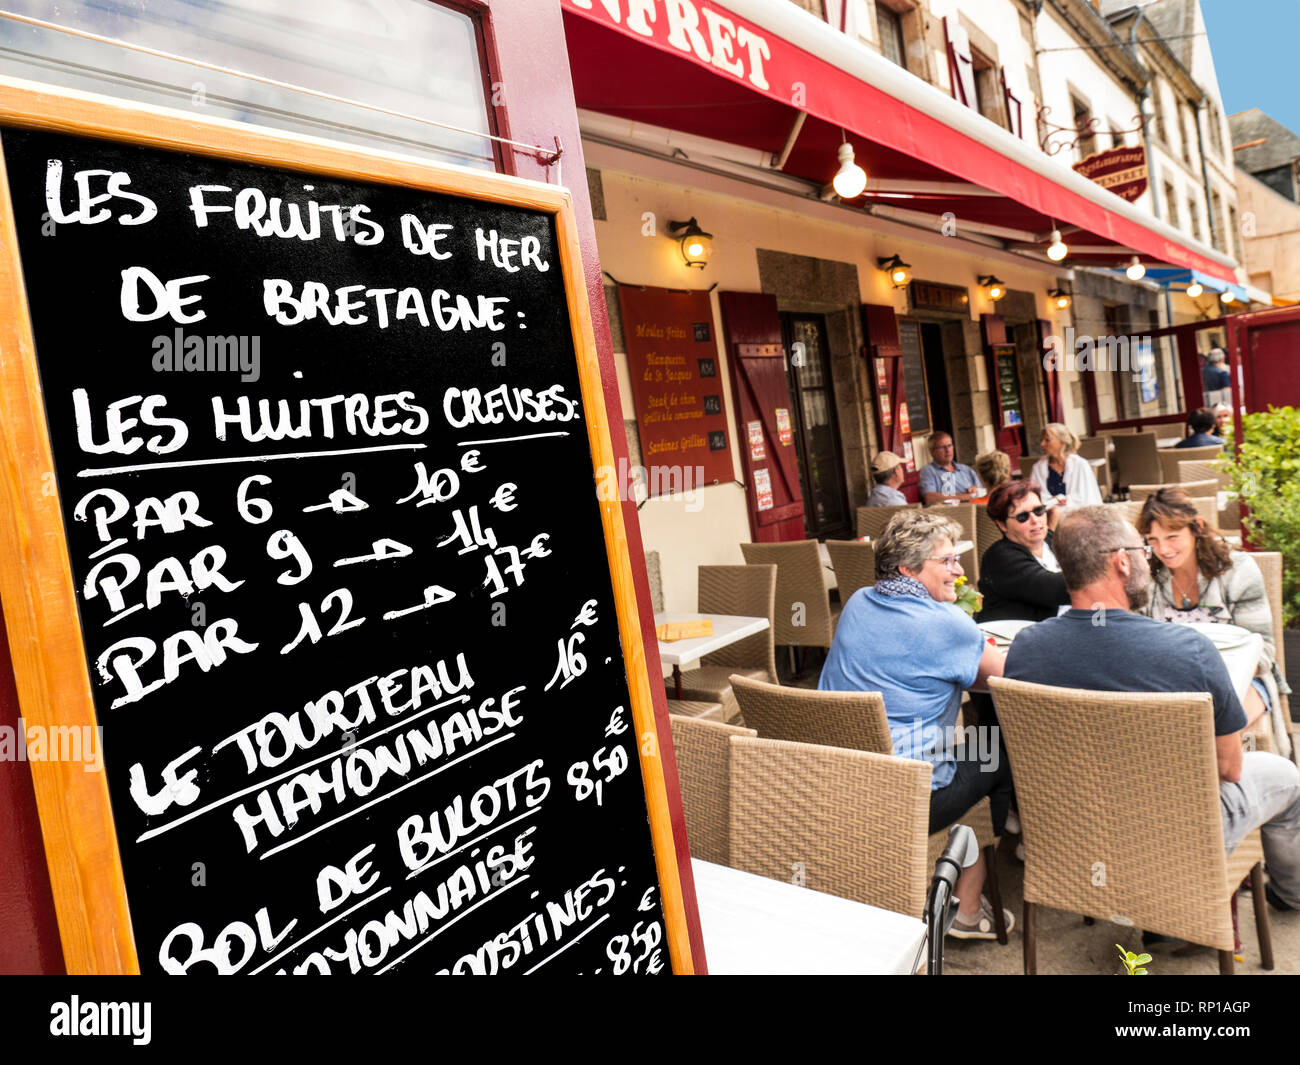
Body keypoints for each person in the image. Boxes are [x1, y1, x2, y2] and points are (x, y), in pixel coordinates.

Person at [1004, 506, 1300, 913]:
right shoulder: (1189, 651)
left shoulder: (1026, 648)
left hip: (1073, 832)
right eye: (1143, 549)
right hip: (1176, 835)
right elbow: (1230, 770)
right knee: (1286, 776)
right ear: (1122, 562)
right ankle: (1290, 896)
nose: (1150, 556)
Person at [821, 510, 1014, 938]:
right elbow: (1006, 676)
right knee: (996, 750)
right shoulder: (947, 624)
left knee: (967, 745)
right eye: (946, 561)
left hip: (840, 781)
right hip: (910, 797)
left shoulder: (856, 603)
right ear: (908, 568)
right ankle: (965, 906)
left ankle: (951, 858)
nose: (959, 570)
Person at [1137, 487, 1290, 751]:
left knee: (1212, 735)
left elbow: (1263, 650)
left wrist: (1213, 685)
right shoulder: (1148, 579)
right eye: (1153, 539)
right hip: (1174, 688)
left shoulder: (1237, 570)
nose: (1163, 549)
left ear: (1196, 528)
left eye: (1172, 537)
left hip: (1242, 681)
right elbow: (1141, 645)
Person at [976, 481, 1069, 623]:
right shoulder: (1000, 557)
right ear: (1002, 524)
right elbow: (1054, 588)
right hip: (1015, 638)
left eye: (1039, 511)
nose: (1035, 520)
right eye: (1022, 517)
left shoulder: (1050, 540)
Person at [1029, 423, 1102, 511]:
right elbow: (1036, 496)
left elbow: (1087, 497)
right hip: (1050, 514)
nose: (1042, 444)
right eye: (1042, 440)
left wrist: (1066, 501)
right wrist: (1053, 501)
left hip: (1078, 514)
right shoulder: (1038, 468)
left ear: (1061, 443)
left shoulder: (1080, 464)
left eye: (1047, 440)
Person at [919, 431, 984, 505]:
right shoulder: (928, 471)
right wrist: (966, 496)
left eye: (949, 445)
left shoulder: (966, 469)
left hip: (976, 509)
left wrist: (976, 489)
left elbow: (983, 492)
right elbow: (930, 498)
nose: (947, 450)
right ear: (932, 452)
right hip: (950, 513)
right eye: (942, 447)